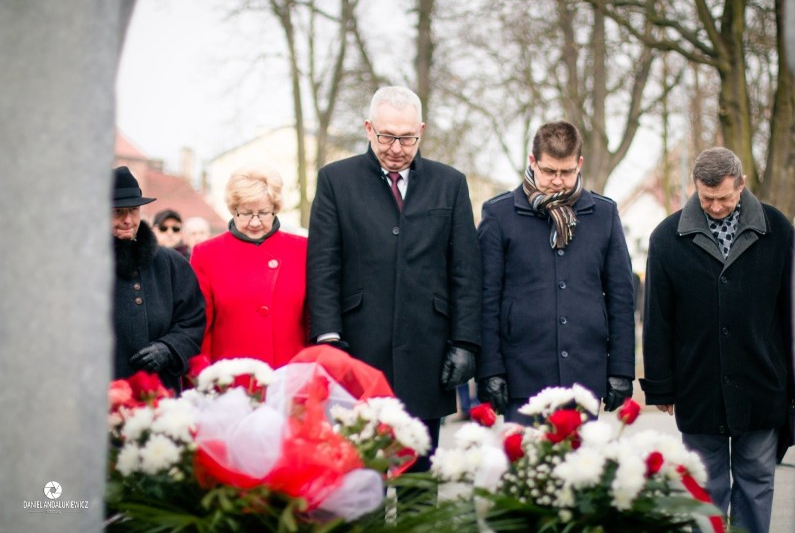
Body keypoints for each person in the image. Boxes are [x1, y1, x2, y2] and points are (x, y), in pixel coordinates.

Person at [307, 86, 482, 471]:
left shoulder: (449, 184)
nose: (397, 148)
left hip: (428, 352)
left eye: (407, 138)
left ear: (421, 130)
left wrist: (465, 342)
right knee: (362, 482)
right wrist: (328, 338)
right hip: (357, 349)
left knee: (418, 486)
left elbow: (466, 271)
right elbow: (323, 265)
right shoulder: (336, 180)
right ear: (369, 129)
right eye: (386, 136)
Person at [640, 147, 795, 533]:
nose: (716, 206)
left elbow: (794, 311)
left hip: (762, 383)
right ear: (695, 188)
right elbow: (657, 317)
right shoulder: (666, 237)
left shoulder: (778, 230)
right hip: (698, 385)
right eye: (706, 198)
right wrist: (661, 386)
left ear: (741, 185)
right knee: (705, 486)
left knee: (756, 482)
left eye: (724, 197)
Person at [476, 121, 635, 422]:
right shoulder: (499, 215)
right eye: (549, 171)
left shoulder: (604, 214)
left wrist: (621, 369)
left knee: (583, 469)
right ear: (532, 161)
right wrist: (490, 369)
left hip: (584, 374)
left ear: (580, 164)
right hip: (521, 375)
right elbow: (486, 297)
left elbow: (620, 297)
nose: (558, 182)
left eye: (567, 171)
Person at [191, 165, 308, 368]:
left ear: (275, 209)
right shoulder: (207, 254)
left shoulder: (302, 250)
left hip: (289, 378)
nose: (255, 222)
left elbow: (312, 320)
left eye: (263, 213)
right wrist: (203, 379)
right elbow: (200, 327)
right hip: (231, 381)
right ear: (233, 210)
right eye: (245, 213)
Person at [111, 166, 205, 392]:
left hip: (161, 397)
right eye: (118, 212)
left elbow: (193, 319)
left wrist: (170, 348)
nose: (127, 220)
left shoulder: (171, 263)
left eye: (133, 210)